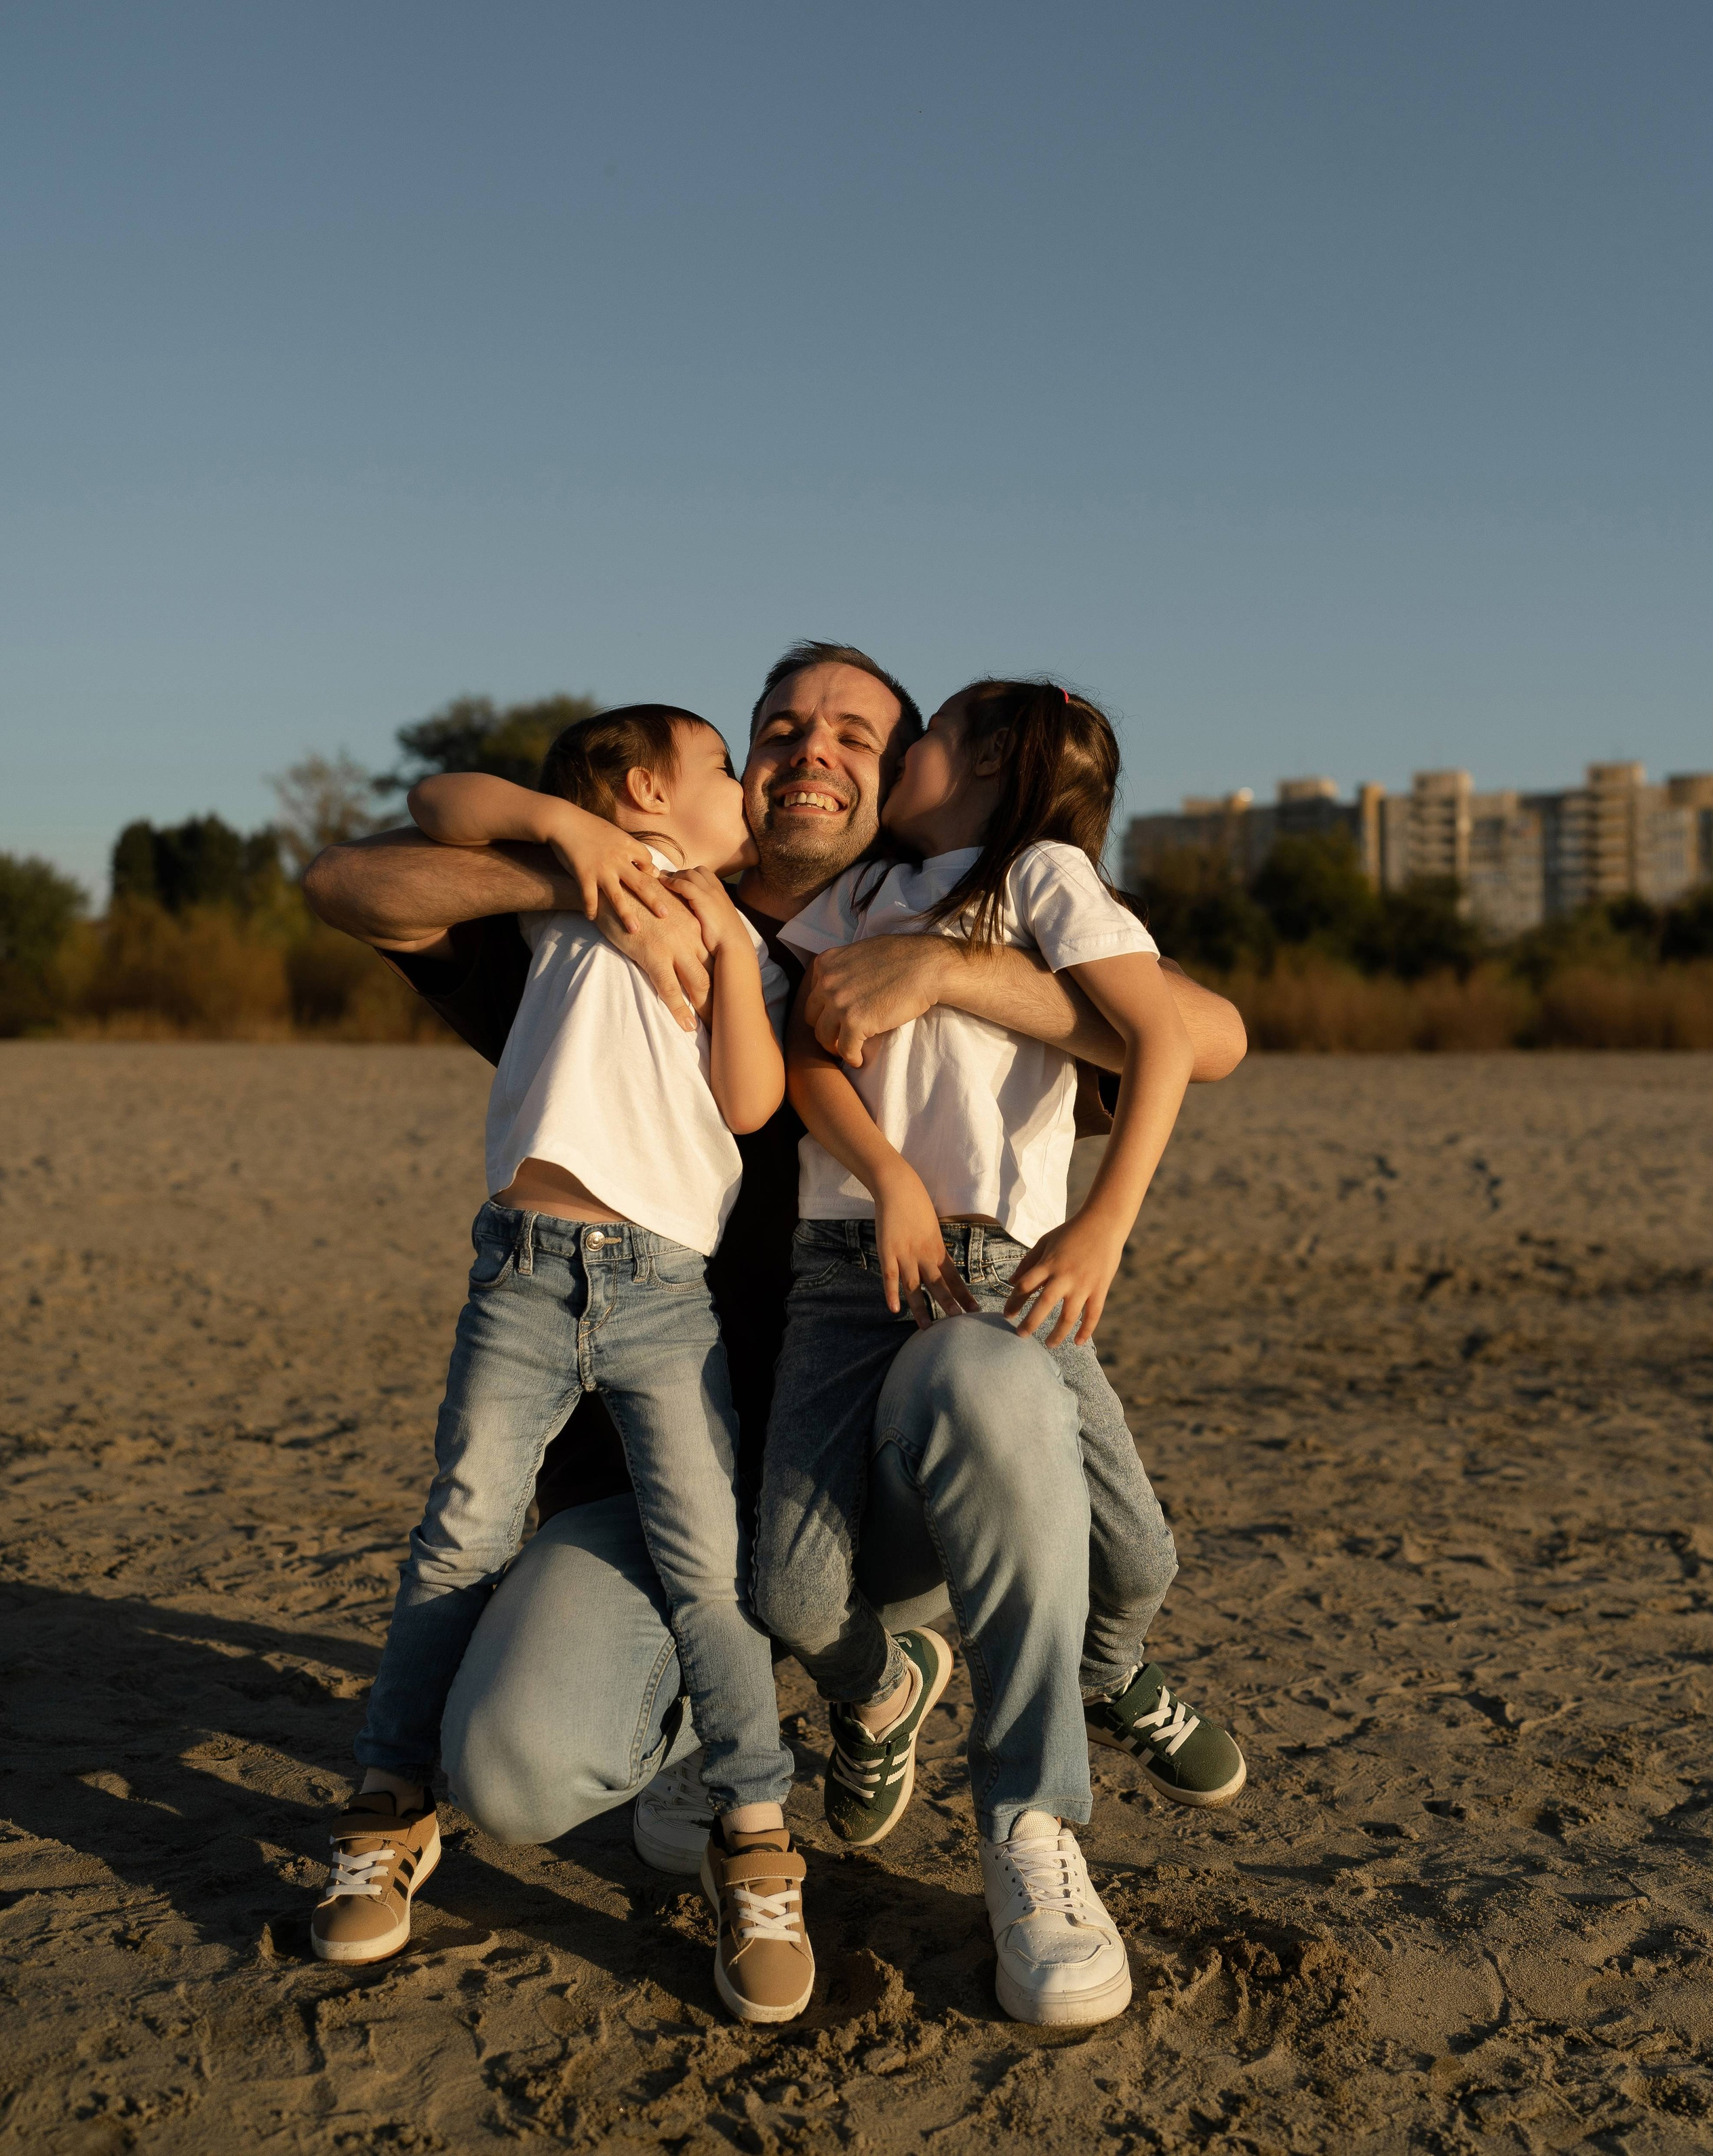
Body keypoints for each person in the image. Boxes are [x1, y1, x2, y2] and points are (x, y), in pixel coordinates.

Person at [302, 642, 1248, 2026]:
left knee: (987, 1377)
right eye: (781, 729)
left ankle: (1028, 1830)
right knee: (510, 1770)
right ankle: (727, 1702)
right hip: (643, 1483)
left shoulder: (961, 937)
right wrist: (594, 872)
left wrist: (944, 971)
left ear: (907, 781)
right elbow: (346, 884)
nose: (813, 749)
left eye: (858, 736)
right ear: (738, 779)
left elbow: (1204, 1034)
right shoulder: (606, 949)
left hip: (881, 1481)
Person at [311, 706, 814, 2026]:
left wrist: (717, 944)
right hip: (522, 1271)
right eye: (719, 767)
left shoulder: (730, 927)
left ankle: (755, 1832)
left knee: (706, 1563)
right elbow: (434, 803)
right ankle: (385, 1811)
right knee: (457, 1534)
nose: (739, 790)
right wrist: (567, 836)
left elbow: (754, 1104)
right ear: (646, 785)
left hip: (662, 1294)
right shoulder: (558, 897)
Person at [757, 684, 1244, 1972]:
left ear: (989, 763)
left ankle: (1115, 1674)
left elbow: (1164, 1037)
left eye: (922, 737)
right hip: (843, 1268)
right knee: (789, 1589)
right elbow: (808, 1046)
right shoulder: (857, 898)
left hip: (1020, 1271)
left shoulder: (1042, 876)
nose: (902, 755)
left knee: (1138, 1557)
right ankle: (888, 1686)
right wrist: (889, 1180)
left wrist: (1102, 1228)